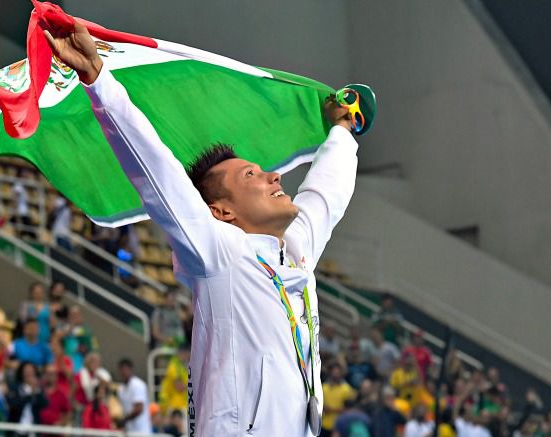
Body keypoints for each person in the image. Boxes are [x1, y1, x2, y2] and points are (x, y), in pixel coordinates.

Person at [45, 22, 357, 436]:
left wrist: (342, 130)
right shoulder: (221, 254)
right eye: (252, 175)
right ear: (222, 211)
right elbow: (156, 172)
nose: (274, 178)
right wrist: (99, 82)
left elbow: (326, 194)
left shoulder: (296, 251)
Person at [6, 361, 49, 430]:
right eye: (26, 371)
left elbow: (44, 404)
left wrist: (36, 391)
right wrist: (29, 394)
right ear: (21, 372)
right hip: (17, 429)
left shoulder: (38, 389)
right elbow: (14, 405)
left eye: (31, 371)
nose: (29, 374)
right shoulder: (15, 388)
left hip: (33, 429)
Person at [116, 358, 152, 433]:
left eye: (125, 370)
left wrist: (124, 420)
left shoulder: (138, 385)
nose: (123, 373)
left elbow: (139, 409)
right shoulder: (121, 389)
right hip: (129, 430)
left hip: (142, 431)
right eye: (121, 370)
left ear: (130, 370)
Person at [322, 364, 356, 436]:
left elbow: (349, 409)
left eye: (337, 373)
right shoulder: (324, 387)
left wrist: (331, 410)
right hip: (323, 424)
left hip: (339, 426)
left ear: (341, 374)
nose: (335, 375)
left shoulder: (346, 389)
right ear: (330, 373)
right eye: (333, 372)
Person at [158, 343, 190, 415]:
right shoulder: (175, 366)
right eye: (188, 354)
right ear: (183, 353)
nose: (189, 356)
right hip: (175, 405)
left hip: (180, 404)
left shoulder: (181, 365)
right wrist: (194, 384)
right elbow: (179, 387)